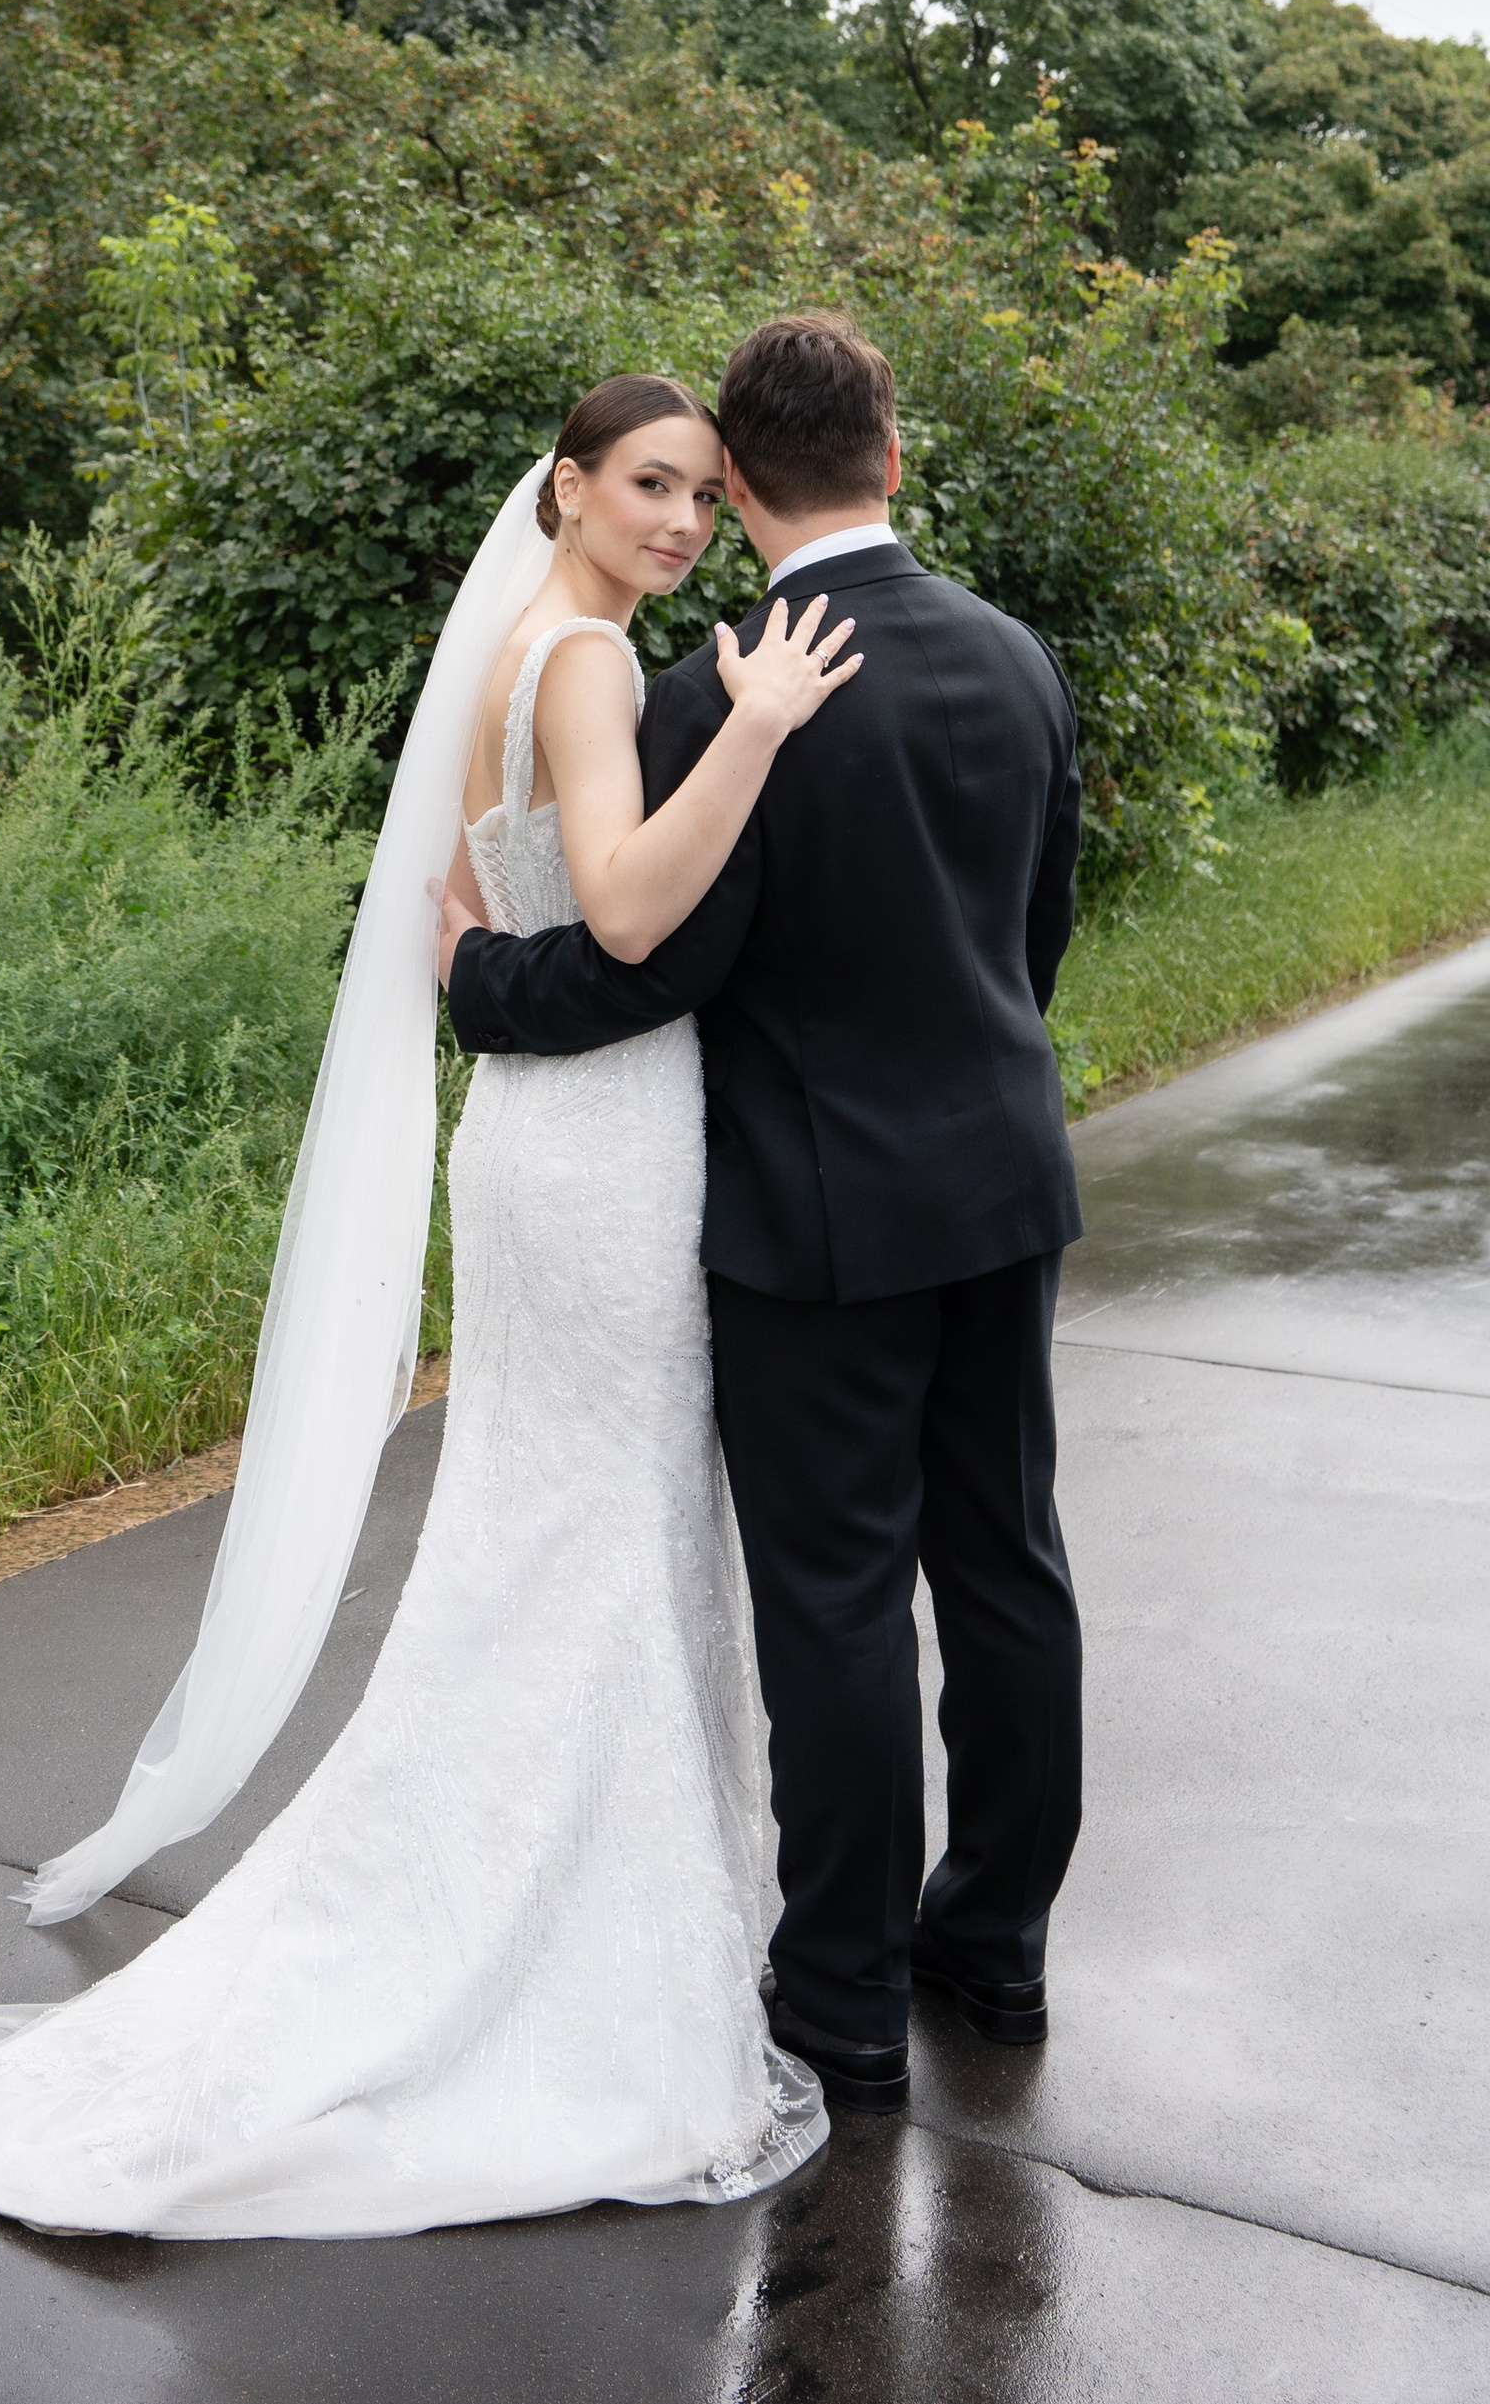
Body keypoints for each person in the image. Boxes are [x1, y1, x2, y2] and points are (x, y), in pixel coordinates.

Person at [0, 373, 860, 2238]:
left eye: (703, 493)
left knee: (554, 1529)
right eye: (649, 485)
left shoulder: (527, 639)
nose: (679, 520)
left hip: (549, 1131)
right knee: (595, 1530)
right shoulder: (582, 663)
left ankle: (554, 1904)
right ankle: (547, 1946)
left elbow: (525, 904)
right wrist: (756, 725)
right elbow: (637, 911)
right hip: (601, 1151)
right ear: (566, 489)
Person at [442, 313, 1085, 2114]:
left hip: (817, 1220)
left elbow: (662, 959)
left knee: (838, 1603)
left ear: (736, 473)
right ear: (891, 449)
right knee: (1012, 1564)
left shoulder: (727, 681)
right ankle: (1001, 1950)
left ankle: (847, 1999)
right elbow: (1035, 933)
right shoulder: (1018, 657)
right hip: (1002, 1180)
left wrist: (479, 983)